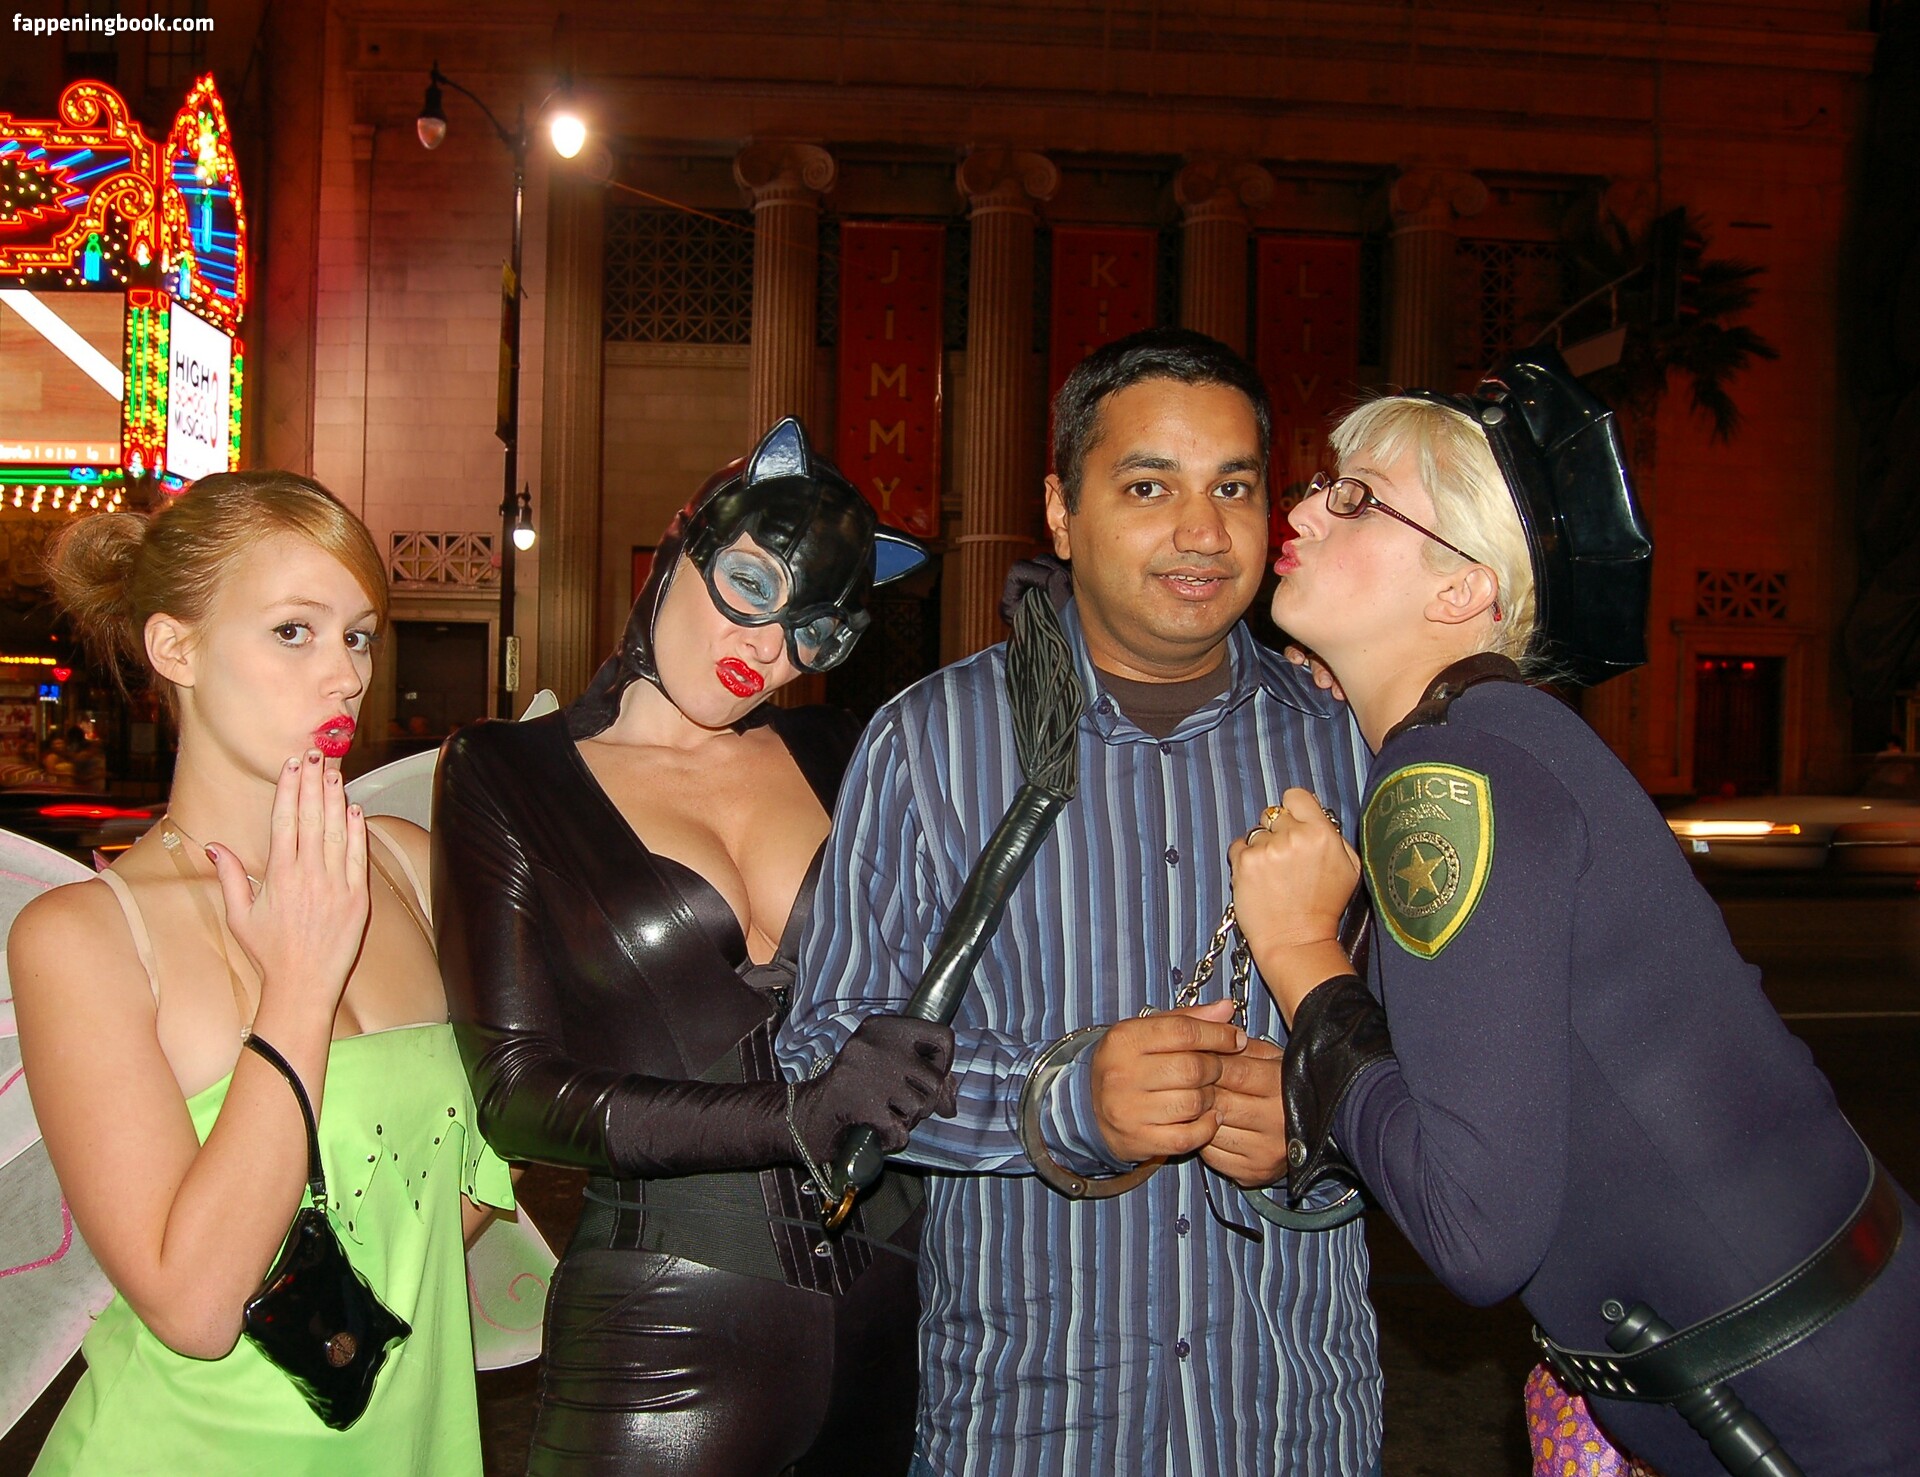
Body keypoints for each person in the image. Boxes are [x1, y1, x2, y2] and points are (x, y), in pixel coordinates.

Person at [1232, 346, 1920, 1477]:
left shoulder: (1446, 779)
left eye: (1358, 495)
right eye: (1321, 482)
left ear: (1461, 591)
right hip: (1826, 1360)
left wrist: (1301, 949)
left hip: (1798, 1414)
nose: (1303, 506)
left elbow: (1476, 1232)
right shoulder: (1503, 741)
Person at [779, 329, 1383, 1476]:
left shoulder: (1353, 746)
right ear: (1061, 511)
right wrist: (1060, 1101)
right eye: (1149, 486)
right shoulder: (932, 744)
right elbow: (822, 1051)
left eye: (1233, 488)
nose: (1200, 532)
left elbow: (1459, 1067)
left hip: (1293, 1418)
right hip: (1028, 1422)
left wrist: (1329, 1121)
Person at [433, 417, 959, 1477]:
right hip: (665, 1334)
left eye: (816, 631)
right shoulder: (509, 772)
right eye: (751, 586)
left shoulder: (849, 750)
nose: (768, 650)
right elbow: (516, 1092)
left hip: (902, 1316)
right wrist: (795, 1115)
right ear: (681, 544)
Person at [11, 471, 515, 1474]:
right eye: (294, 630)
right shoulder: (86, 938)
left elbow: (447, 1206)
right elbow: (197, 1308)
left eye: (358, 636)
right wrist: (299, 985)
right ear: (177, 647)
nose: (344, 676)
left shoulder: (410, 870)